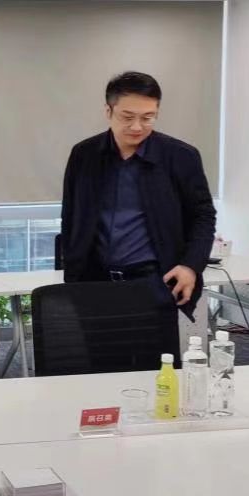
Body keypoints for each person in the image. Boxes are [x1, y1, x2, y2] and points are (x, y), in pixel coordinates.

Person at [60, 71, 217, 324]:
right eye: (127, 117)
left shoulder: (180, 156)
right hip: (93, 282)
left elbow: (203, 216)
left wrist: (191, 266)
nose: (137, 127)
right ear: (108, 111)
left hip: (154, 281)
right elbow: (70, 216)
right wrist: (72, 272)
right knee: (96, 348)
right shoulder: (84, 154)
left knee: (154, 350)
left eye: (147, 117)